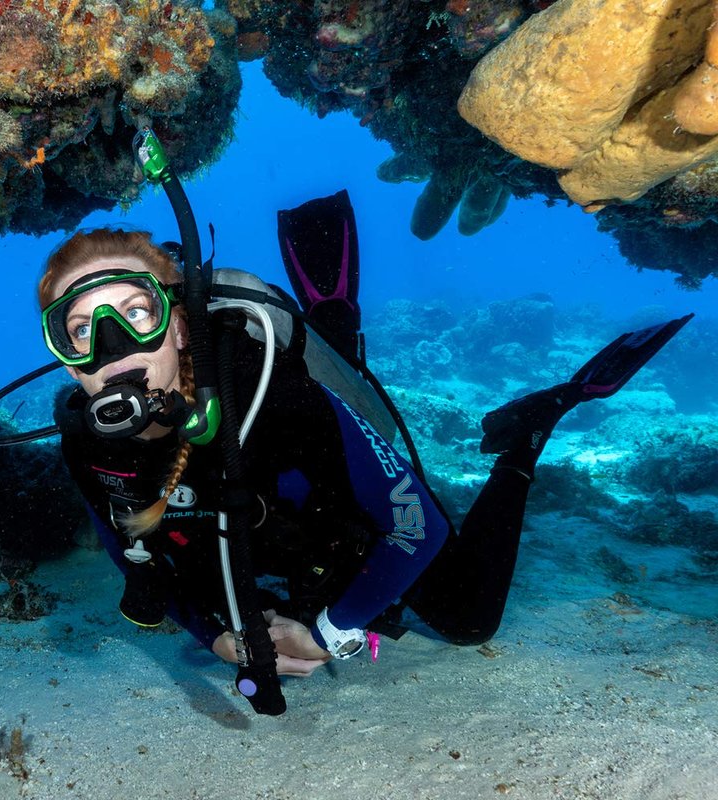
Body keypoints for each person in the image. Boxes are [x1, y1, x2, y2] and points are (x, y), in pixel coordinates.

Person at [37, 188, 691, 702]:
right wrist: (216, 638)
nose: (113, 347)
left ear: (180, 327)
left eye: (137, 313)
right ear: (67, 361)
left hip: (329, 509)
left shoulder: (271, 393)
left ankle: (527, 432)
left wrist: (332, 631)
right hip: (259, 538)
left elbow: (417, 529)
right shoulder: (89, 448)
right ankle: (330, 319)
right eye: (81, 329)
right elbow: (137, 568)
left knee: (469, 618)